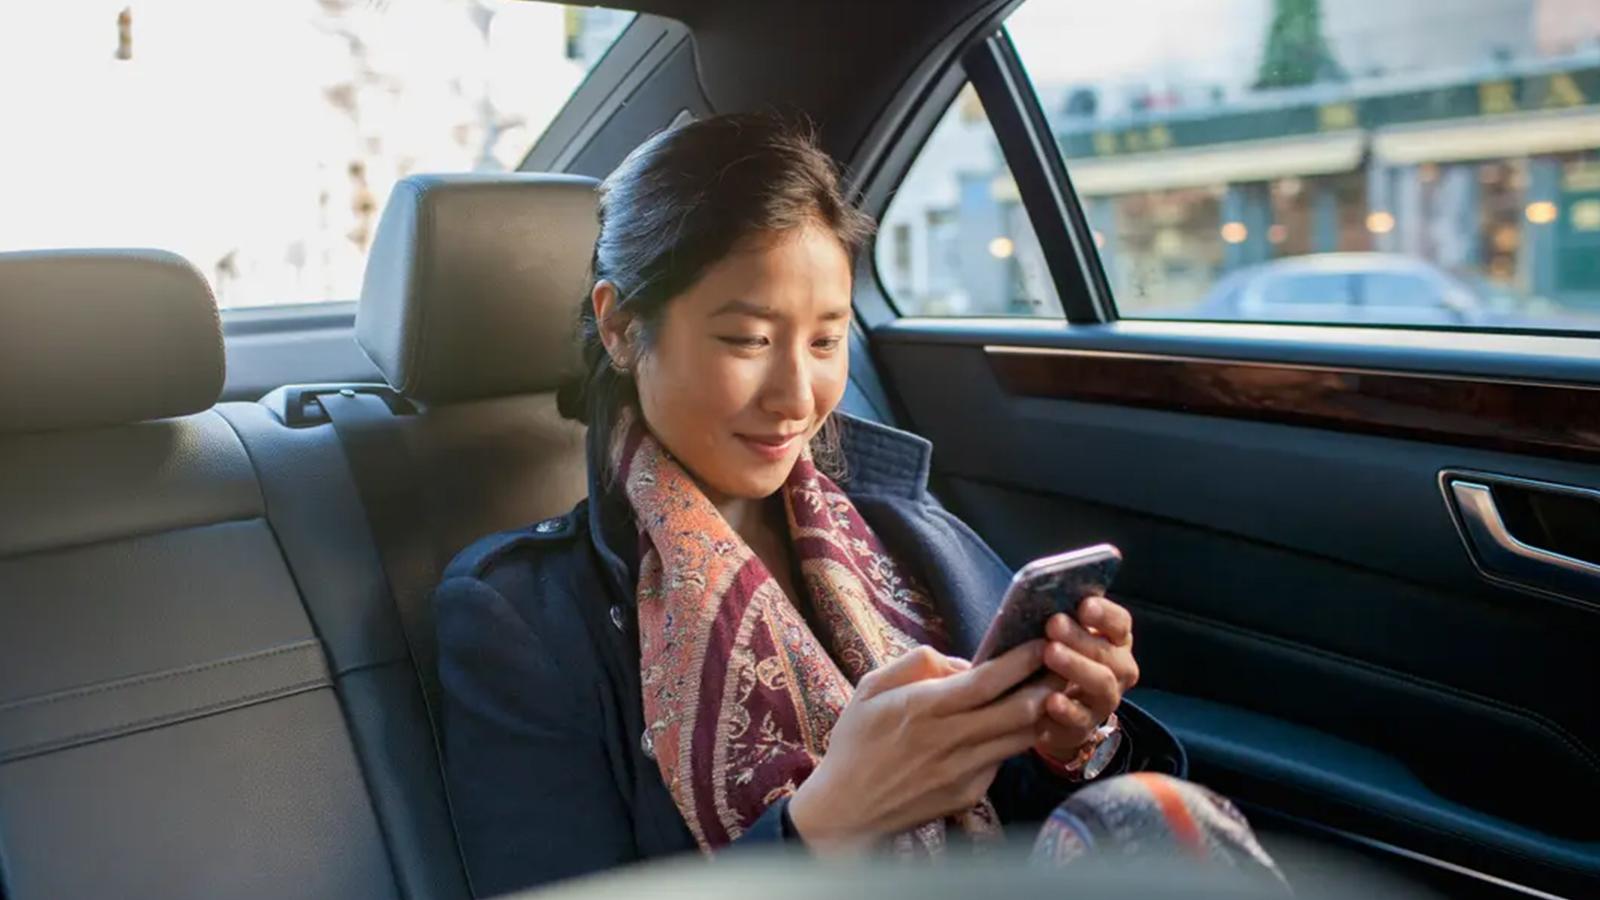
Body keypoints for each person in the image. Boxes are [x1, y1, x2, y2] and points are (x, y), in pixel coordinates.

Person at [435, 112, 1281, 897]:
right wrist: (822, 825)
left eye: (826, 340)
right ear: (622, 328)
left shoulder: (899, 534)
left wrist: (1072, 742)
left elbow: (1013, 813)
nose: (796, 396)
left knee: (1147, 814)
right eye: (747, 340)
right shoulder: (522, 620)